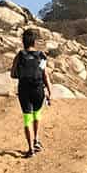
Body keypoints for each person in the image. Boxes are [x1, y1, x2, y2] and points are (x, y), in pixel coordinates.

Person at [10, 28, 53, 157]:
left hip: (24, 90)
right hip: (38, 90)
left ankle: (30, 149)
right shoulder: (41, 56)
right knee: (36, 115)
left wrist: (21, 74)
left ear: (23, 42)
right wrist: (50, 92)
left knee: (27, 118)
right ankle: (36, 140)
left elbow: (12, 74)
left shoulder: (20, 55)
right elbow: (45, 75)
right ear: (34, 42)